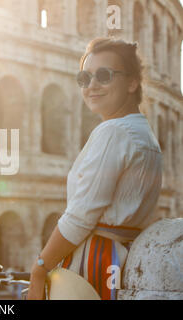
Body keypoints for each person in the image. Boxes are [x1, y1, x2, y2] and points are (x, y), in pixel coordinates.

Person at [27, 38, 163, 300]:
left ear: (132, 82)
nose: (91, 86)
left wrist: (39, 268)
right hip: (125, 258)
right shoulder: (145, 135)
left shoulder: (114, 132)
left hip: (93, 262)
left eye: (104, 75)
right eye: (84, 78)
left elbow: (80, 217)